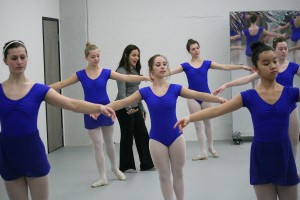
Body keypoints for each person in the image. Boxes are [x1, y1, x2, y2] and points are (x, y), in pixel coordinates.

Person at [175, 41, 300, 200]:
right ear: (256, 69)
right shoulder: (249, 96)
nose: (273, 66)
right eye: (266, 63)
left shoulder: (291, 93)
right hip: (261, 157)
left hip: (284, 156)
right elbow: (217, 110)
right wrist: (190, 117)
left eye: (275, 61)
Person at [0, 40, 115, 200]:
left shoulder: (38, 89)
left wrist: (99, 108)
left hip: (32, 151)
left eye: (22, 57)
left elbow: (72, 104)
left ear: (27, 58)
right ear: (5, 60)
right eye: (14, 58)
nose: (19, 62)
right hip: (8, 153)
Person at [101, 54, 227, 200]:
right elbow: (122, 102)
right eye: (158, 64)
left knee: (178, 174)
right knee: (164, 176)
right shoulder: (145, 92)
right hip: (156, 139)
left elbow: (198, 94)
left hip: (176, 137)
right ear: (151, 70)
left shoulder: (175, 88)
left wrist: (217, 99)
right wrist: (100, 108)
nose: (162, 67)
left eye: (164, 64)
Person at [50, 42, 150, 187]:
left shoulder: (106, 72)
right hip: (89, 111)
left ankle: (115, 168)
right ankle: (103, 177)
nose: (96, 59)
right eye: (93, 57)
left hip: (106, 110)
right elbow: (60, 84)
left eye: (98, 56)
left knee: (109, 142)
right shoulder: (80, 74)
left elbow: (127, 78)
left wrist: (144, 78)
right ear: (86, 58)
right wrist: (39, 89)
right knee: (97, 146)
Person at [213, 37, 300, 176]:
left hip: (290, 107)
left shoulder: (293, 66)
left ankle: (292, 168)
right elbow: (246, 79)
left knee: (294, 140)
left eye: (286, 48)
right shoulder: (268, 69)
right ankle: (274, 168)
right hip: (273, 108)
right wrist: (226, 84)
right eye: (280, 49)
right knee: (275, 140)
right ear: (274, 50)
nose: (284, 51)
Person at [168, 39, 252, 161]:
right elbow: (170, 72)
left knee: (208, 122)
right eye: (193, 49)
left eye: (197, 48)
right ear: (189, 51)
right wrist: (155, 74)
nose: (196, 50)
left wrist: (242, 66)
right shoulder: (185, 66)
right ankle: (203, 152)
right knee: (198, 124)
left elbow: (225, 67)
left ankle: (211, 148)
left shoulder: (206, 63)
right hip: (192, 97)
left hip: (207, 96)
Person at [115, 44, 154, 173]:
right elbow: (122, 93)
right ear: (126, 55)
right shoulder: (121, 71)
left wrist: (141, 108)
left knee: (142, 134)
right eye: (134, 55)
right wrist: (127, 108)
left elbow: (136, 92)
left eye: (138, 55)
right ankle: (126, 166)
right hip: (123, 107)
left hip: (135, 106)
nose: (136, 57)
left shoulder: (135, 70)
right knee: (127, 136)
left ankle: (147, 164)